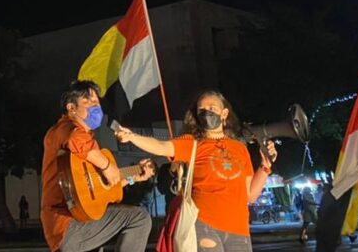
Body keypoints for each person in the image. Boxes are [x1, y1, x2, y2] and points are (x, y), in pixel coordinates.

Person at [117, 90, 277, 252]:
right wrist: (133, 137)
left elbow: (250, 194)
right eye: (202, 110)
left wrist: (265, 167)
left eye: (212, 107)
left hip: (239, 230)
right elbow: (161, 146)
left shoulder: (240, 149)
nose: (207, 112)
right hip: (204, 224)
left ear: (224, 113)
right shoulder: (192, 144)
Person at [41, 80, 156, 252]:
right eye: (89, 101)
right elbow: (75, 139)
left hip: (82, 222)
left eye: (97, 102)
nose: (96, 106)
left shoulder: (87, 146)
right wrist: (107, 165)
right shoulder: (63, 128)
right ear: (71, 108)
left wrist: (134, 176)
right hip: (69, 225)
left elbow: (105, 189)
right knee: (139, 218)